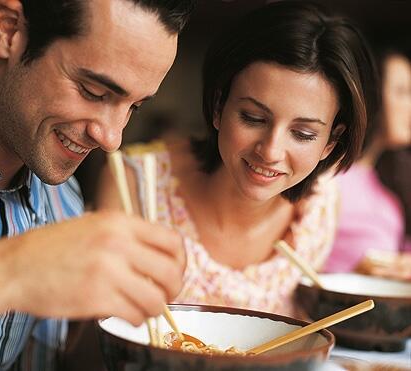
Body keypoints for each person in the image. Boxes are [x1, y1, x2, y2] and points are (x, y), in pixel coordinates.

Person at [0, 0, 194, 369]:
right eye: (94, 92)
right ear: (9, 30)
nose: (112, 137)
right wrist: (10, 271)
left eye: (134, 107)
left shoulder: (64, 199)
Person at [97, 1, 378, 317]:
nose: (270, 151)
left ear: (330, 142)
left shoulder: (320, 209)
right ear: (219, 106)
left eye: (302, 134)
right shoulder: (135, 184)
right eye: (253, 117)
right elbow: (92, 343)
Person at [324, 48, 411, 277]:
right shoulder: (328, 177)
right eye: (403, 92)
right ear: (371, 94)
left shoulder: (389, 183)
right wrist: (356, 274)